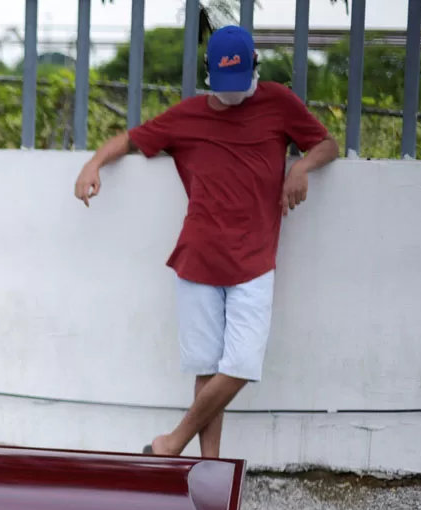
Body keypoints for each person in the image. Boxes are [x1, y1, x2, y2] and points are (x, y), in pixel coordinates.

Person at [73, 25, 338, 458]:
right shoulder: (188, 115)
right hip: (197, 258)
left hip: (254, 260)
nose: (235, 94)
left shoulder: (277, 102)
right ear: (209, 74)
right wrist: (94, 164)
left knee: (241, 365)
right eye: (224, 84)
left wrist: (300, 167)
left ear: (255, 66)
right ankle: (208, 467)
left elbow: (328, 143)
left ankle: (171, 442)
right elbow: (131, 139)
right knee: (205, 366)